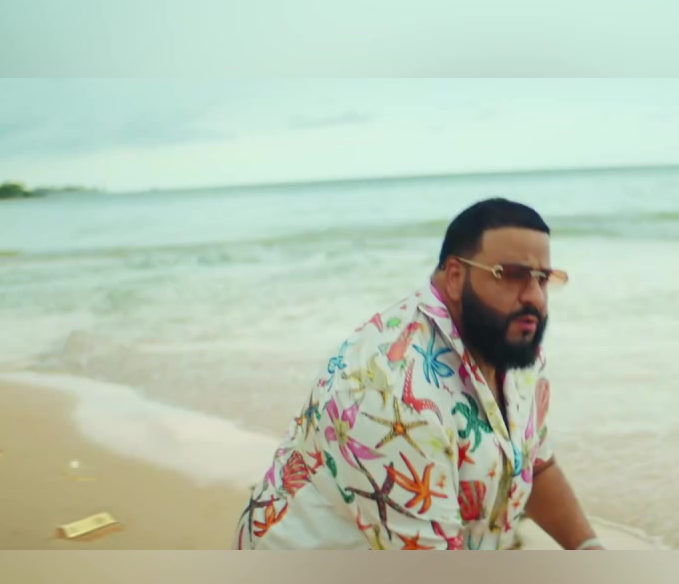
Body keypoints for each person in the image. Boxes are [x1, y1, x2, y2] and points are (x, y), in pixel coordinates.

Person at [234, 197, 605, 550]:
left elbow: (535, 465)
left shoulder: (508, 343)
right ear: (455, 276)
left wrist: (590, 550)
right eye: (511, 275)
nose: (535, 298)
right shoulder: (390, 393)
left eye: (542, 278)